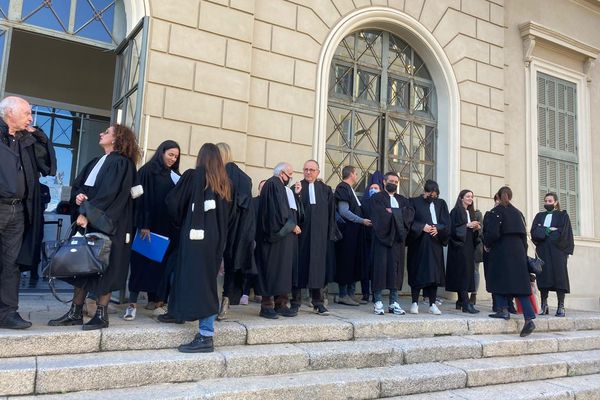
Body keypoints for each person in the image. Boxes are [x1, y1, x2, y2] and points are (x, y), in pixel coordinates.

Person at [48, 124, 139, 330]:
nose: (101, 133)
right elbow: (80, 186)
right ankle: (75, 312)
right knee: (82, 265)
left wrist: (87, 214)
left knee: (105, 267)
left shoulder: (122, 164)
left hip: (108, 224)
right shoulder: (96, 162)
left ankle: (101, 315)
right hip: (88, 220)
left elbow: (110, 195)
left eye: (106, 132)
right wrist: (79, 198)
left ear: (117, 139)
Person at [165, 143, 232, 353]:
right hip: (215, 240)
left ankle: (205, 335)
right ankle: (189, 320)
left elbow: (173, 203)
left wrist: (181, 222)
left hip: (195, 238)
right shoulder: (224, 182)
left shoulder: (193, 176)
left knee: (190, 279)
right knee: (207, 283)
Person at [0, 96, 56, 329]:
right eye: (27, 113)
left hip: (19, 210)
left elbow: (48, 167)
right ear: (9, 113)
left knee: (11, 263)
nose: (31, 117)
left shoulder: (27, 140)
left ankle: (7, 313)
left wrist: (41, 136)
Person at [124, 140, 181, 321]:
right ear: (161, 152)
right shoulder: (147, 171)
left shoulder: (174, 175)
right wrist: (144, 224)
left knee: (159, 266)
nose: (172, 159)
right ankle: (132, 303)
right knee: (140, 265)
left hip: (166, 229)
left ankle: (155, 299)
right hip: (147, 228)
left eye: (176, 157)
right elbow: (140, 199)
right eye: (170, 154)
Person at [484, 186, 536, 337]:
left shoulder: (495, 212)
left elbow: (492, 233)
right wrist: (523, 253)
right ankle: (528, 318)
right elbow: (524, 237)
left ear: (498, 197)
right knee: (520, 285)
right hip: (518, 251)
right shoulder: (518, 213)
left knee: (498, 279)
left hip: (501, 251)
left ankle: (503, 310)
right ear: (510, 196)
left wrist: (487, 245)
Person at [292, 160, 337, 315]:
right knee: (299, 267)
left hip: (319, 237)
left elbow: (331, 214)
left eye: (312, 170)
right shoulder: (296, 188)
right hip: (301, 236)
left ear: (318, 172)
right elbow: (292, 211)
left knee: (317, 269)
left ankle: (318, 302)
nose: (308, 172)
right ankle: (295, 301)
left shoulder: (326, 190)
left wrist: (330, 234)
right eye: (306, 169)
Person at [256, 162, 301, 319]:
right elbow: (278, 213)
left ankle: (281, 304)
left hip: (284, 240)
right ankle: (267, 306)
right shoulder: (273, 185)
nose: (291, 177)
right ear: (282, 173)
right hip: (274, 239)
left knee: (282, 270)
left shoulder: (282, 188)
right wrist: (292, 226)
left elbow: (291, 209)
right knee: (271, 270)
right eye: (289, 174)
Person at [216, 142, 255, 320]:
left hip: (220, 224)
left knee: (214, 263)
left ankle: (212, 301)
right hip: (239, 230)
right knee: (231, 267)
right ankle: (226, 299)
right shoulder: (245, 178)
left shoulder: (219, 174)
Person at [369, 172, 414, 315]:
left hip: (397, 242)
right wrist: (398, 213)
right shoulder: (377, 198)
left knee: (395, 271)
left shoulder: (403, 199)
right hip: (381, 240)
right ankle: (378, 301)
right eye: (391, 181)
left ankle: (394, 302)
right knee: (380, 269)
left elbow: (409, 214)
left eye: (396, 181)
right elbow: (378, 215)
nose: (393, 183)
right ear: (384, 181)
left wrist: (393, 212)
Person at [406, 180, 450, 315]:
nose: (433, 197)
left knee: (434, 275)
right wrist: (421, 227)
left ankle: (432, 304)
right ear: (425, 191)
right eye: (431, 194)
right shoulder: (413, 201)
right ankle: (414, 302)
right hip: (419, 244)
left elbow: (446, 222)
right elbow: (408, 221)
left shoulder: (441, 203)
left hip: (435, 243)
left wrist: (438, 229)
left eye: (435, 195)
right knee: (417, 272)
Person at [531, 192, 574, 317]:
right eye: (545, 201)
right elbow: (534, 232)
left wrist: (544, 231)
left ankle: (561, 306)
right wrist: (549, 230)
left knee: (560, 277)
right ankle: (544, 305)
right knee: (543, 276)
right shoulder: (539, 216)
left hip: (558, 252)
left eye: (550, 201)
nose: (547, 203)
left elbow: (564, 233)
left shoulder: (563, 216)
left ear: (555, 202)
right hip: (543, 251)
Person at [334, 165, 371, 306]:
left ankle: (350, 293)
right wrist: (361, 220)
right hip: (347, 234)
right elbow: (344, 211)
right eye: (356, 173)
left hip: (355, 233)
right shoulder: (343, 188)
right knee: (346, 262)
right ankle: (343, 294)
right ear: (351, 174)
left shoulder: (349, 189)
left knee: (354, 262)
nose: (357, 176)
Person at [445, 190, 481, 314]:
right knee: (462, 272)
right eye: (467, 196)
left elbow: (473, 233)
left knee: (467, 272)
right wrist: (467, 225)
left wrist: (476, 228)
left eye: (472, 196)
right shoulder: (455, 212)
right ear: (461, 198)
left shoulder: (471, 212)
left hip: (469, 245)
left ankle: (460, 301)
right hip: (459, 247)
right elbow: (452, 229)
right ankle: (465, 304)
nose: (470, 198)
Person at [240, 179, 266, 305]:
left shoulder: (271, 202)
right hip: (253, 239)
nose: (263, 189)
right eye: (261, 187)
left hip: (265, 241)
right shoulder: (253, 202)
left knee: (262, 268)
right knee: (250, 267)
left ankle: (259, 292)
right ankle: (245, 293)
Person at [359, 171, 384, 303]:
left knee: (376, 267)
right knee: (365, 266)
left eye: (376, 188)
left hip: (379, 239)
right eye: (371, 188)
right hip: (365, 238)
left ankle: (376, 294)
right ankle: (365, 293)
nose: (373, 190)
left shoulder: (383, 203)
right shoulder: (365, 201)